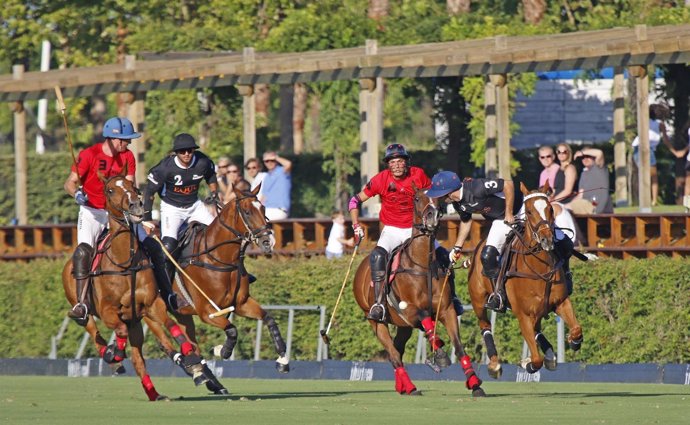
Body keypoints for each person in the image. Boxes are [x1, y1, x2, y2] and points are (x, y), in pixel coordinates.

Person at [350, 143, 462, 322]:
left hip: (416, 229)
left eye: (400, 161)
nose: (396, 164)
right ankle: (379, 303)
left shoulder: (418, 174)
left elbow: (432, 194)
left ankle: (453, 298)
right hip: (392, 229)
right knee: (378, 256)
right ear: (388, 164)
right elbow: (354, 201)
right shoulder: (380, 179)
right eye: (392, 161)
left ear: (406, 162)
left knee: (444, 256)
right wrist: (356, 224)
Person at [63, 116, 141, 324]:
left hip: (117, 213)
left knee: (147, 243)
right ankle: (81, 304)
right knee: (83, 252)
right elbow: (69, 184)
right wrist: (77, 195)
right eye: (125, 140)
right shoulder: (89, 155)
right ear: (112, 138)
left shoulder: (128, 157)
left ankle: (161, 289)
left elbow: (130, 186)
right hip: (92, 212)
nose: (128, 144)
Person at [426, 171, 526, 313]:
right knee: (487, 255)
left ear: (448, 192)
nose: (438, 199)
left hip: (521, 208)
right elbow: (466, 222)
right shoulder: (458, 204)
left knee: (553, 237)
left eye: (439, 195)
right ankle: (499, 295)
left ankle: (565, 275)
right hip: (500, 219)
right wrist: (457, 248)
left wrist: (509, 213)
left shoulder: (475, 187)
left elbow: (508, 184)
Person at [141, 133, 218, 312]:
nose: (186, 154)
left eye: (190, 150)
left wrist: (214, 195)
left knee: (220, 233)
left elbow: (211, 177)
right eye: (182, 151)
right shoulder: (164, 169)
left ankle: (239, 271)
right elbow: (149, 193)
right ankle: (165, 291)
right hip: (172, 208)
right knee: (168, 246)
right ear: (176, 153)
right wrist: (146, 219)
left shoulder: (202, 162)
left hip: (195, 205)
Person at [632, 105, 676, 206]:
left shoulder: (646, 121)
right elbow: (665, 140)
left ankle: (647, 200)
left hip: (637, 149)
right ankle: (653, 200)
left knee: (644, 175)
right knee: (653, 176)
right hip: (645, 149)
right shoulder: (660, 124)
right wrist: (674, 152)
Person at [565, 147, 613, 214]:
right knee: (564, 209)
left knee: (565, 209)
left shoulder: (599, 167)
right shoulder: (583, 174)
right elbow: (580, 195)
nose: (585, 159)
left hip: (598, 207)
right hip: (585, 205)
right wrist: (567, 205)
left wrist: (581, 153)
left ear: (593, 157)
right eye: (582, 157)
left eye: (588, 156)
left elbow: (599, 153)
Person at [258, 151, 292, 220]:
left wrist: (276, 157)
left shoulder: (282, 171)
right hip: (267, 209)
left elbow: (288, 164)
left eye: (272, 160)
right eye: (267, 161)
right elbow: (264, 197)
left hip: (279, 209)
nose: (269, 162)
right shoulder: (266, 177)